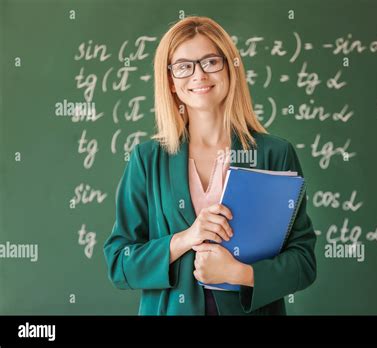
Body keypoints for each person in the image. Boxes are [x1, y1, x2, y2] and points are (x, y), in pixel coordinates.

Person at [103, 16, 317, 315]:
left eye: (210, 62)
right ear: (171, 81)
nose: (198, 75)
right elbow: (119, 263)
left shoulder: (274, 153)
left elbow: (303, 262)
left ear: (230, 69)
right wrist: (186, 238)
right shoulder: (147, 159)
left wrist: (238, 273)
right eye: (183, 66)